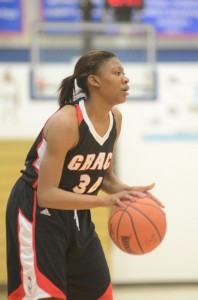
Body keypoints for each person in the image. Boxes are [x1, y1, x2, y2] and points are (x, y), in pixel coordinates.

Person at [6, 50, 163, 300]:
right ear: (94, 81)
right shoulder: (66, 123)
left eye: (124, 73)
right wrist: (103, 201)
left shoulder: (115, 119)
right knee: (44, 295)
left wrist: (126, 191)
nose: (126, 79)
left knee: (98, 294)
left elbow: (103, 176)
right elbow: (47, 194)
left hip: (77, 215)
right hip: (37, 212)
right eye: (117, 72)